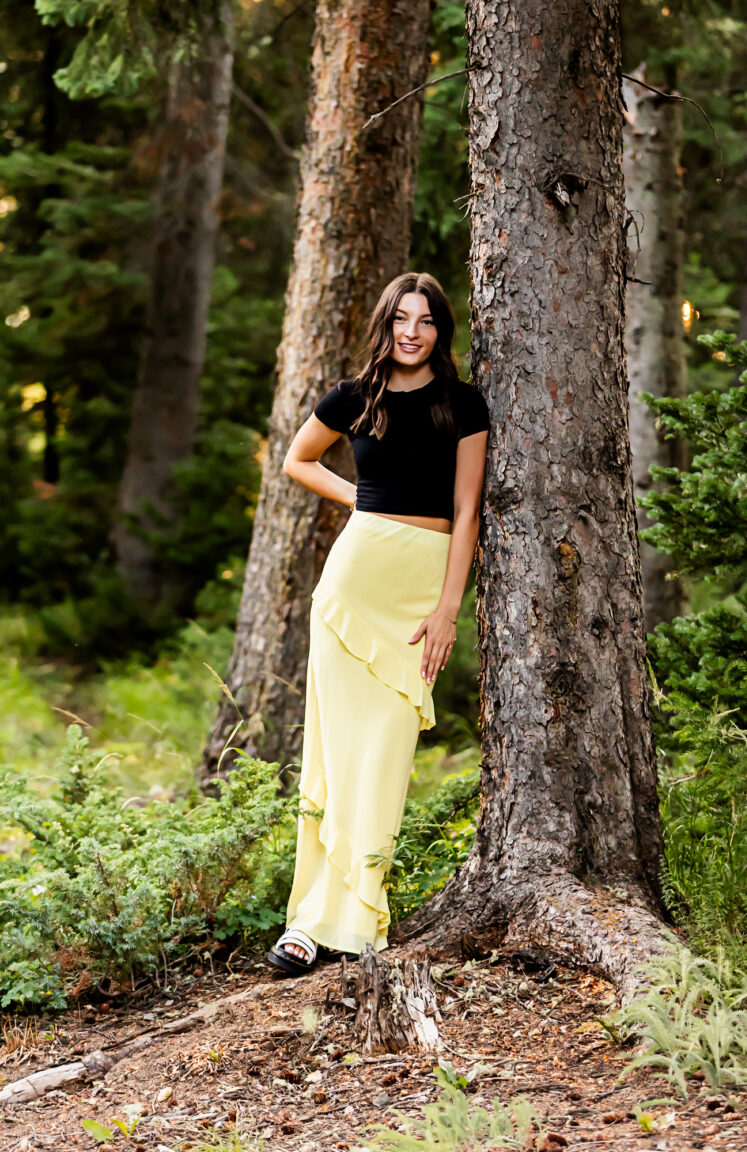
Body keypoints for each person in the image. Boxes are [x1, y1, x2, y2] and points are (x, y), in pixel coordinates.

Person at [267, 271, 490, 975]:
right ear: (386, 325)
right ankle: (307, 923)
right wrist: (360, 501)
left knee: (385, 756)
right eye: (402, 318)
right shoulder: (353, 398)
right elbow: (296, 460)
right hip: (354, 580)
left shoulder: (464, 404)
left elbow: (467, 513)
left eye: (425, 320)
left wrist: (450, 608)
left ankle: (358, 918)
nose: (413, 331)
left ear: (440, 331)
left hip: (420, 591)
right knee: (332, 756)